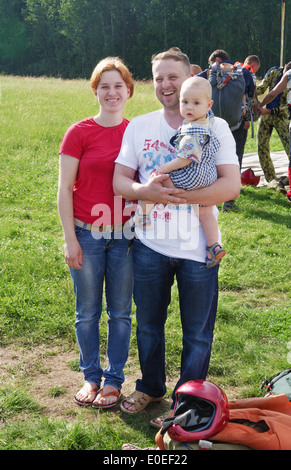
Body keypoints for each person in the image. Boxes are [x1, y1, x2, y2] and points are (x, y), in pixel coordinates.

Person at [113, 47, 240, 422]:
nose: (166, 85)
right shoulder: (140, 126)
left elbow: (230, 186)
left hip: (198, 250)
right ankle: (151, 387)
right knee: (149, 324)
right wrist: (144, 192)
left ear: (189, 80)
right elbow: (120, 180)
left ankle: (186, 401)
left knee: (197, 333)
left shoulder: (214, 126)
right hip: (150, 246)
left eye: (174, 77)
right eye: (159, 78)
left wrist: (180, 196)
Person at [57, 57, 134, 409]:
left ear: (129, 91)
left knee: (120, 312)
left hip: (127, 237)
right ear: (95, 91)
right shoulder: (79, 132)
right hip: (87, 233)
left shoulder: (136, 132)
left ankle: (114, 380)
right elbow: (63, 190)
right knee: (87, 311)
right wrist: (70, 238)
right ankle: (90, 376)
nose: (112, 92)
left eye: (118, 85)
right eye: (105, 86)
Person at [133, 76, 226, 268]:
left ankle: (140, 218)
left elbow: (184, 158)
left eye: (195, 103)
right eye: (185, 102)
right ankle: (214, 245)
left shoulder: (192, 130)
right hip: (207, 175)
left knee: (158, 183)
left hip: (191, 174)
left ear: (208, 104)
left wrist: (164, 168)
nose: (189, 108)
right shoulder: (209, 120)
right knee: (205, 211)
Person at [199, 50, 255, 211]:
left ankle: (210, 197)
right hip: (238, 123)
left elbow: (194, 82)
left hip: (213, 125)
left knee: (212, 159)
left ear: (216, 60)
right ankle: (229, 201)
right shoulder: (244, 72)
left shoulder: (210, 72)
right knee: (235, 159)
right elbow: (250, 94)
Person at [256, 62, 291, 187]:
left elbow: (287, 106)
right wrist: (251, 92)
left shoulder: (289, 78)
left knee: (289, 148)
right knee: (262, 147)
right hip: (266, 115)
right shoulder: (274, 72)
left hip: (282, 117)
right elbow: (263, 87)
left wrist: (268, 110)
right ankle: (271, 180)